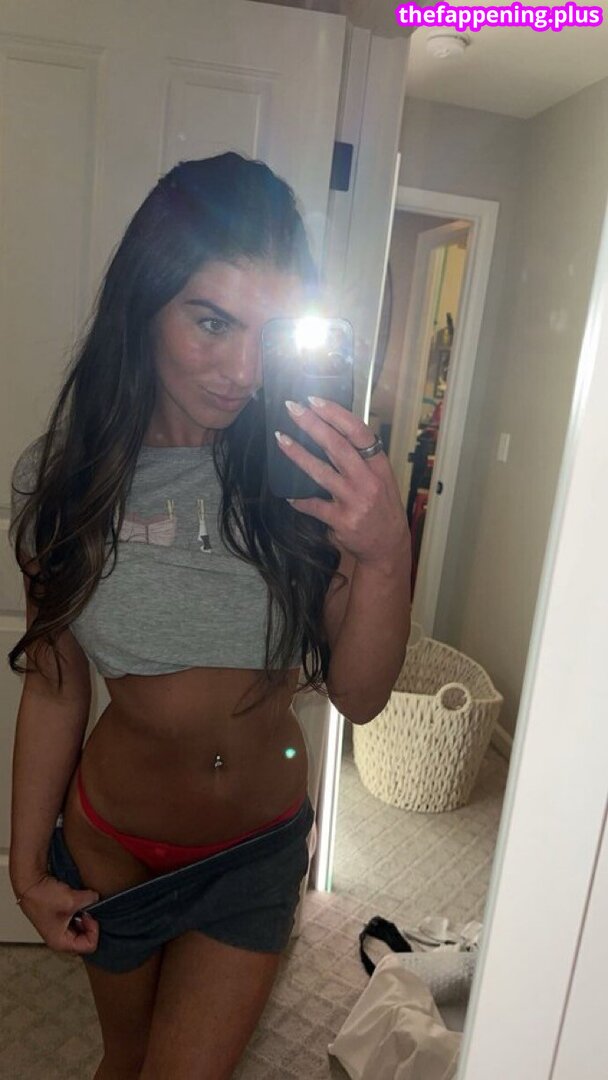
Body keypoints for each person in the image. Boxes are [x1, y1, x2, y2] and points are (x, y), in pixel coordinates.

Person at [8, 152, 411, 1080]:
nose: (242, 371)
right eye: (212, 321)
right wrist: (26, 869)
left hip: (254, 853)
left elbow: (361, 696)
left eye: (270, 333)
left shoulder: (311, 476)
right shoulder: (67, 480)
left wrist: (386, 552)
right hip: (111, 844)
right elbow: (57, 686)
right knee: (125, 1061)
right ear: (144, 304)